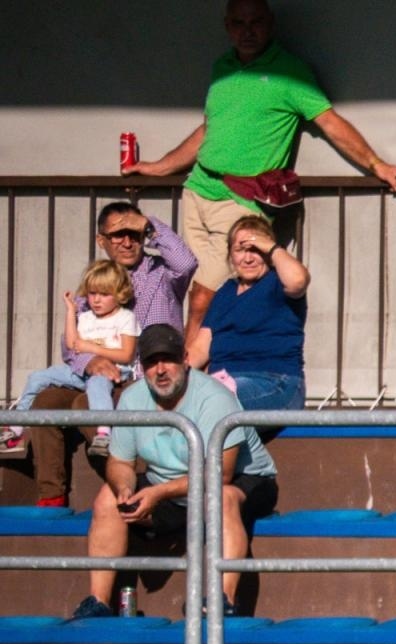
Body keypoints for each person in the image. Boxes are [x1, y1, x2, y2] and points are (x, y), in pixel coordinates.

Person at [123, 0, 396, 340]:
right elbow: (208, 131)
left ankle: (183, 377)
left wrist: (376, 164)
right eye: (239, 23)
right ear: (227, 26)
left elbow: (330, 122)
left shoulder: (289, 72)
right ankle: (202, 371)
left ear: (270, 24)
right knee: (195, 287)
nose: (247, 31)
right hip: (199, 188)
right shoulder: (223, 68)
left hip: (241, 200)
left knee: (204, 296)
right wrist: (158, 167)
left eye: (256, 22)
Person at [71, 324, 278, 620]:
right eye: (151, 362)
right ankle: (98, 603)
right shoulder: (132, 399)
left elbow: (220, 475)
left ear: (184, 358)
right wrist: (125, 487)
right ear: (142, 367)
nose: (160, 370)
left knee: (222, 496)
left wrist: (158, 492)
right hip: (170, 485)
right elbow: (119, 462)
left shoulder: (214, 397)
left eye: (167, 359)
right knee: (108, 497)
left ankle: (223, 601)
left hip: (243, 480)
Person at [16, 202, 198, 507]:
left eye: (134, 233)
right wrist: (91, 361)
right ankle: (51, 495)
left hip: (144, 375)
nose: (127, 241)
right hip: (96, 375)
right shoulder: (96, 284)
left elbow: (187, 262)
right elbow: (70, 343)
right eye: (118, 235)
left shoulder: (162, 274)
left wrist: (149, 226)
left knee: (85, 404)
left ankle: (134, 483)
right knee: (46, 400)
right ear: (102, 241)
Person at [4, 261, 140, 456]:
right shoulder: (86, 318)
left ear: (119, 294)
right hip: (83, 371)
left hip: (115, 372)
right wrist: (70, 311)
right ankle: (17, 424)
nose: (96, 300)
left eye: (104, 294)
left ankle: (103, 430)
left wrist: (91, 348)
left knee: (97, 385)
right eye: (92, 293)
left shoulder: (125, 317)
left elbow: (126, 354)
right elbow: (71, 343)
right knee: (40, 376)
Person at [186, 215, 310, 411]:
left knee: (214, 401)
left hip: (275, 381)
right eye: (240, 250)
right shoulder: (225, 292)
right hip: (222, 382)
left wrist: (271, 247)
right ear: (230, 255)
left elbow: (298, 280)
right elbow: (200, 349)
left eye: (256, 250)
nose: (248, 258)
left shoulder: (277, 283)